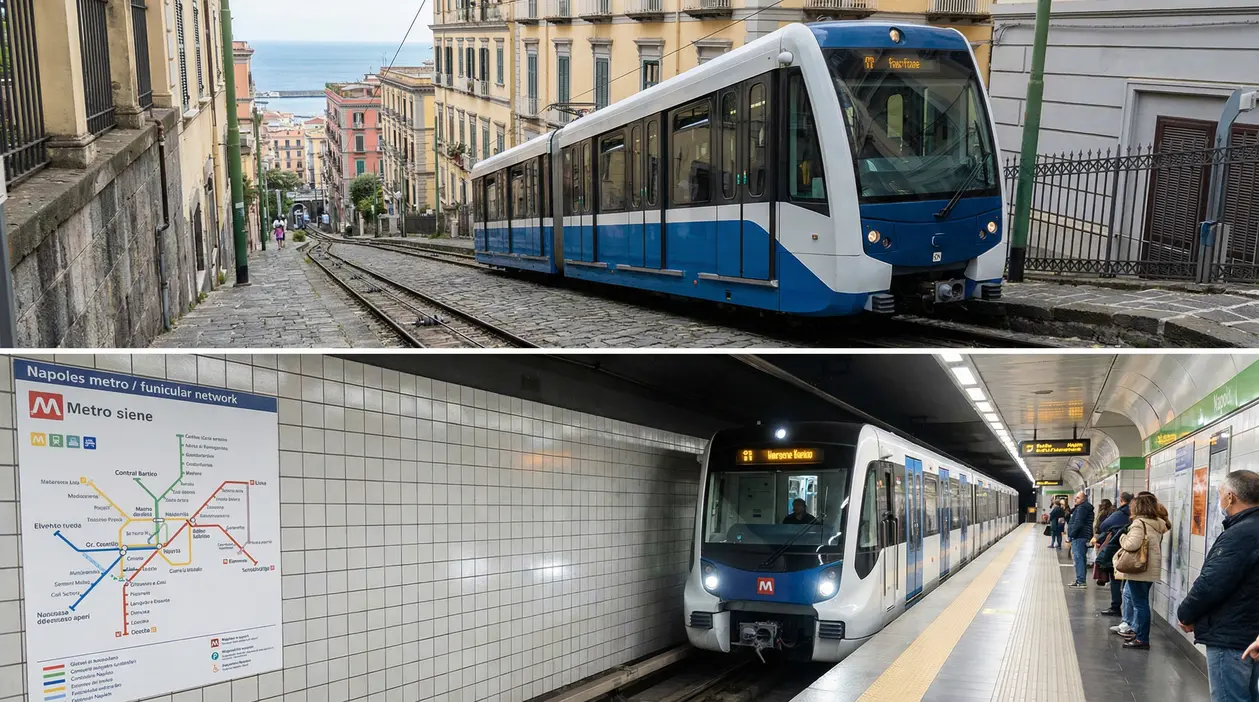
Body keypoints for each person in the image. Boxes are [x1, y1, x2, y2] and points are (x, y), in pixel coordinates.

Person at [1175, 470, 1259, 701]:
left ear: (1231, 497)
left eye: (1221, 493)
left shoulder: (1240, 534)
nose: (1220, 498)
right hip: (1249, 632)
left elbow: (1212, 583)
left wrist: (1185, 613)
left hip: (1231, 634)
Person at [1114, 494, 1169, 650]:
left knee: (1140, 604)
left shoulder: (1139, 523)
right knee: (1142, 602)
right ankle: (1139, 633)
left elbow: (1132, 545)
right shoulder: (1158, 523)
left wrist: (1122, 537)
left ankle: (1142, 638)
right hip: (1150, 568)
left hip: (1139, 569)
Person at [1097, 492, 1133, 618]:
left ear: (1122, 500)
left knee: (1115, 579)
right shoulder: (1136, 515)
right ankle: (1127, 613)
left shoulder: (1120, 513)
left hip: (1117, 549)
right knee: (1128, 584)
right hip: (1132, 554)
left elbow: (1103, 526)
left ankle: (1115, 607)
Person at [1068, 491, 1095, 588]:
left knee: (1078, 559)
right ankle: (1080, 579)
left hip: (1079, 536)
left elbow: (1078, 523)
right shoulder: (1085, 508)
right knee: (1081, 559)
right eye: (1075, 497)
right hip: (1083, 536)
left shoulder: (1082, 508)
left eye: (1078, 498)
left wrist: (1071, 535)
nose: (1075, 499)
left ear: (1084, 499)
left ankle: (1081, 581)